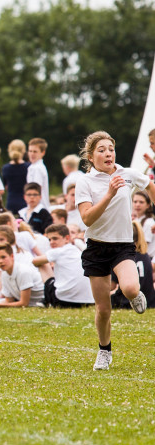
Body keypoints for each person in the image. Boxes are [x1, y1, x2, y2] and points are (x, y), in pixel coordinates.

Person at [75, 130, 155, 371]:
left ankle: (135, 296)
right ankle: (104, 351)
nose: (108, 153)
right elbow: (87, 218)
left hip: (122, 245)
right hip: (96, 248)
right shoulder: (84, 181)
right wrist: (110, 192)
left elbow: (149, 184)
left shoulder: (127, 174)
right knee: (103, 309)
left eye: (111, 148)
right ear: (91, 156)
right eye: (101, 150)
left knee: (131, 288)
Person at [32, 224, 94, 307]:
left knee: (42, 264)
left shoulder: (58, 251)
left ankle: (46, 300)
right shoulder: (76, 250)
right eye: (49, 239)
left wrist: (48, 263)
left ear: (67, 238)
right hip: (87, 302)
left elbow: (35, 261)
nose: (51, 242)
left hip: (63, 300)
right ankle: (46, 299)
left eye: (55, 238)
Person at [0, 243, 45, 308]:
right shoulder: (4, 274)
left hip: (45, 301)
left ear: (12, 256)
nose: (0, 261)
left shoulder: (23, 272)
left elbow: (24, 303)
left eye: (3, 257)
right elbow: (9, 301)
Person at [111, 221, 155, 309]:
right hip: (150, 301)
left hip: (125, 301)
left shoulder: (121, 259)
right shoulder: (145, 255)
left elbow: (111, 286)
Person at [1, 139, 29, 214]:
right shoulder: (28, 167)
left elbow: (5, 186)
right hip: (25, 201)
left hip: (11, 201)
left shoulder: (5, 168)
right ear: (23, 151)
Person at [26, 138, 50, 210]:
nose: (32, 154)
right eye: (30, 151)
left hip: (39, 208)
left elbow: (35, 190)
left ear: (43, 152)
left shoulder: (37, 168)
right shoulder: (32, 167)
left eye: (35, 151)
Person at [131, 190, 155, 261]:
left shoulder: (149, 222)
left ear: (148, 205)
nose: (137, 205)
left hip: (146, 260)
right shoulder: (136, 220)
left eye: (141, 202)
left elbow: (142, 246)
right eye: (135, 202)